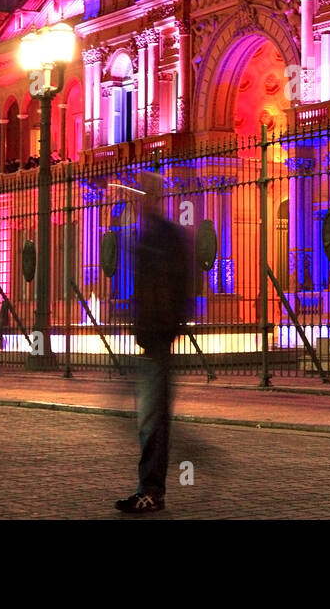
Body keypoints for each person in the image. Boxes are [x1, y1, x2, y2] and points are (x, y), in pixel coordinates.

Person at [116, 171, 192, 515]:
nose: (137, 198)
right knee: (149, 418)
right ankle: (149, 488)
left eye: (142, 193)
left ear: (154, 196)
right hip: (149, 336)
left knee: (153, 419)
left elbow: (181, 288)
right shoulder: (146, 235)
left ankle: (151, 491)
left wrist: (167, 327)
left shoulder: (165, 236)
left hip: (158, 338)